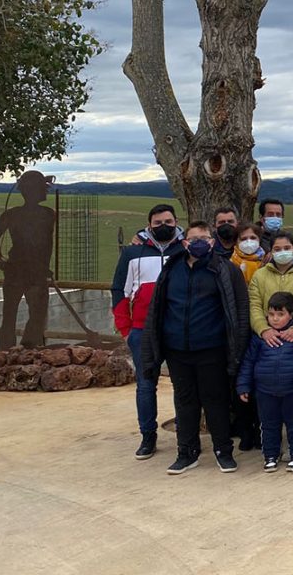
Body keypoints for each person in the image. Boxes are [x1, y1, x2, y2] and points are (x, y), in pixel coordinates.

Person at [139, 221, 250, 476]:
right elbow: (158, 308)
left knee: (216, 402)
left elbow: (240, 310)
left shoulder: (225, 270)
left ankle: (223, 451)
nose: (199, 242)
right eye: (193, 238)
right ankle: (186, 452)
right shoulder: (172, 269)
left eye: (204, 237)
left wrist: (237, 348)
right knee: (185, 402)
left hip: (212, 348)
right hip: (177, 349)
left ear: (211, 241)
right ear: (184, 242)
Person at [112, 203, 185, 460]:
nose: (163, 227)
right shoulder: (132, 253)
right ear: (149, 225)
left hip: (177, 329)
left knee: (182, 384)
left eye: (168, 222)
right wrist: (125, 329)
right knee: (145, 386)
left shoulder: (185, 250)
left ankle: (185, 434)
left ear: (176, 222)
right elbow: (119, 290)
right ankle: (147, 435)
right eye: (158, 223)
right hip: (142, 329)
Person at [236, 291, 293, 473]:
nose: (275, 319)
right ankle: (271, 455)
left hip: (292, 390)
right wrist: (243, 385)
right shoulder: (260, 338)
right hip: (265, 391)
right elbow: (248, 362)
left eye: (280, 314)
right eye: (271, 314)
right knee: (268, 425)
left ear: (291, 315)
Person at [0, 170, 55, 350]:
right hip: (30, 273)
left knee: (17, 315)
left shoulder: (13, 214)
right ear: (34, 191)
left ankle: (16, 350)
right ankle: (26, 349)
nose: (45, 192)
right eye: (43, 188)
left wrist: (2, 262)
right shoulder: (48, 214)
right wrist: (2, 262)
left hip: (20, 271)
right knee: (32, 315)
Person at [248, 233, 293, 349]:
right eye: (277, 249)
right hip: (266, 340)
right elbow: (254, 305)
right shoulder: (259, 275)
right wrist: (263, 329)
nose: (282, 252)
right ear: (271, 251)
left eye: (287, 248)